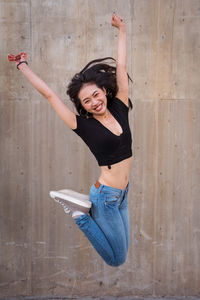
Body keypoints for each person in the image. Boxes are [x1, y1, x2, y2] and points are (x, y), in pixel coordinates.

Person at [8, 13, 133, 267]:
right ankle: (81, 216)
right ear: (83, 106)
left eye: (96, 95)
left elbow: (121, 67)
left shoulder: (120, 107)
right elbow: (51, 97)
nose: (95, 102)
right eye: (87, 101)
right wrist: (23, 65)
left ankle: (84, 211)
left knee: (124, 250)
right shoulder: (84, 126)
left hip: (122, 195)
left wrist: (122, 29)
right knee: (116, 259)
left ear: (104, 92)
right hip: (105, 197)